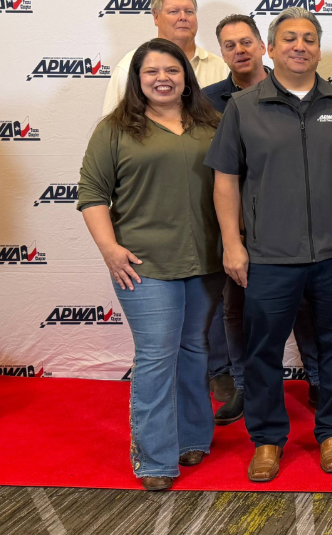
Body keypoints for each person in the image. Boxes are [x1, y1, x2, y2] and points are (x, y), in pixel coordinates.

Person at [205, 7, 332, 483]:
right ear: (271, 47)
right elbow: (225, 179)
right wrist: (232, 243)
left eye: (308, 37)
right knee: (263, 349)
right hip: (268, 256)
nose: (299, 45)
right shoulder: (243, 107)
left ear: (319, 47)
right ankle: (266, 440)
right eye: (289, 38)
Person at [78, 38, 225, 491]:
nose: (163, 78)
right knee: (157, 357)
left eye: (172, 70)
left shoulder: (212, 123)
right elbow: (92, 194)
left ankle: (194, 436)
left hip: (205, 261)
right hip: (142, 264)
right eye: (151, 72)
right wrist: (109, 249)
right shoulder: (115, 128)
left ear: (187, 77)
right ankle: (155, 460)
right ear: (137, 80)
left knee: (195, 349)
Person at [202, 13, 323, 427]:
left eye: (246, 42)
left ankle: (319, 381)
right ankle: (244, 385)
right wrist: (231, 237)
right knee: (235, 312)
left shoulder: (296, 87)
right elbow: (219, 174)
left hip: (297, 234)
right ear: (221, 52)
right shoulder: (207, 101)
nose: (240, 50)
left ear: (263, 47)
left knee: (306, 309)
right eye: (229, 45)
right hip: (237, 231)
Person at [102, 0, 228, 116]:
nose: (183, 17)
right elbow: (111, 127)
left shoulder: (221, 67)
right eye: (174, 11)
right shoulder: (129, 66)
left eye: (189, 11)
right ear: (156, 17)